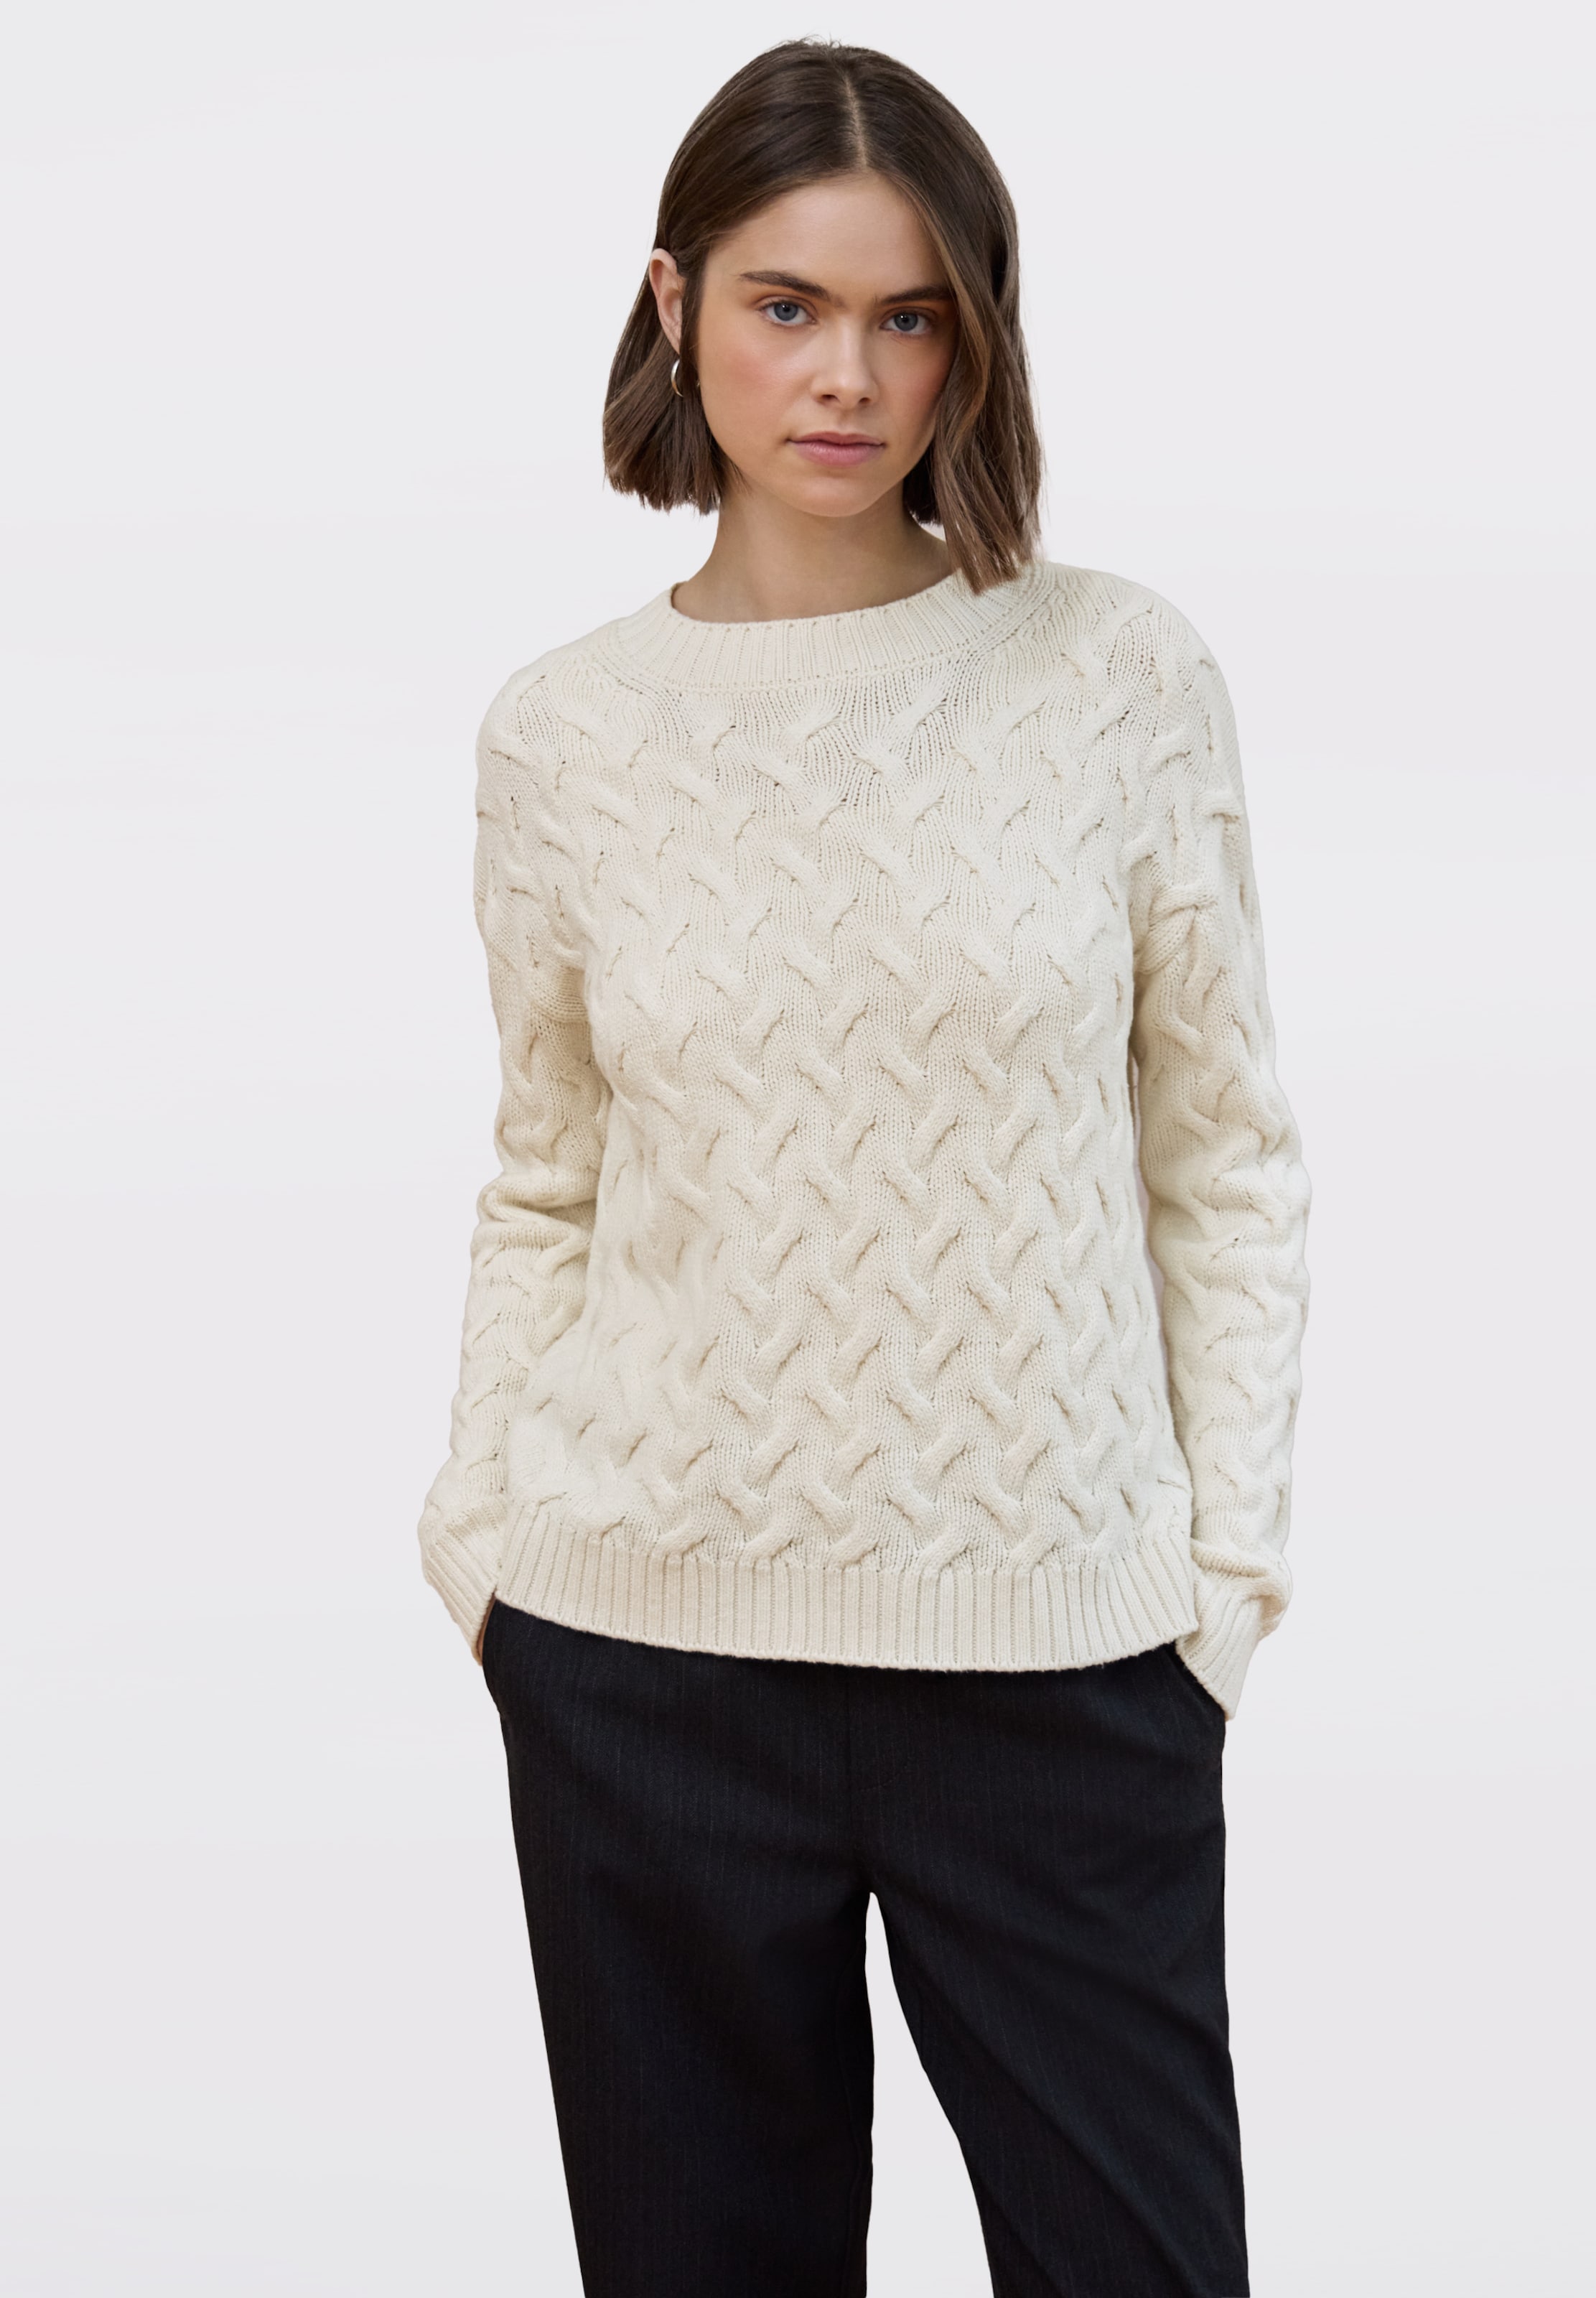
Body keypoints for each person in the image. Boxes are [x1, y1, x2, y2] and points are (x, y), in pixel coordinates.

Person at [418, 37, 1311, 2298]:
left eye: (910, 316)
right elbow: (551, 1167)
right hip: (643, 1657)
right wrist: (486, 1541)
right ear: (674, 304)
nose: (847, 374)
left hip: (1061, 1657)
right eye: (787, 305)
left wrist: (1217, 1583)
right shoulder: (566, 734)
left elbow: (1222, 1149)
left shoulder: (1115, 675)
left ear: (975, 339)